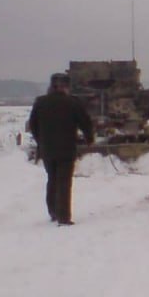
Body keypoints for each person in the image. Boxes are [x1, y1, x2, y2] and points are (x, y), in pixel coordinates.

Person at [27, 73, 94, 225]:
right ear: (65, 87)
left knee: (52, 179)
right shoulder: (72, 102)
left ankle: (53, 212)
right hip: (66, 148)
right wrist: (89, 138)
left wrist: (40, 141)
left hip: (47, 149)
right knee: (64, 181)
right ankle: (64, 216)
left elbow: (33, 124)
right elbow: (85, 122)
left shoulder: (40, 102)